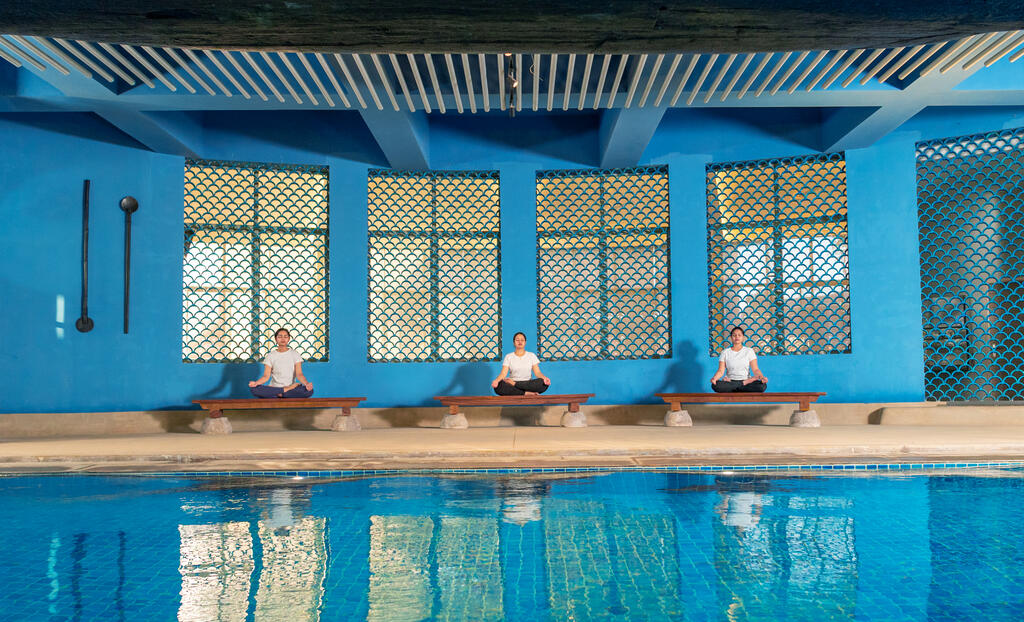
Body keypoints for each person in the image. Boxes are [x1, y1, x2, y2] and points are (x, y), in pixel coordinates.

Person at [248, 328, 314, 398]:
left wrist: (307, 384)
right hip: (275, 387)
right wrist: (256, 383)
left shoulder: (295, 354)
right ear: (276, 339)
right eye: (280, 337)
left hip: (288, 388)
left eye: (285, 337)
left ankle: (279, 393)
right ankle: (284, 391)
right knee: (254, 389)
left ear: (289, 339)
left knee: (309, 391)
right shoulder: (271, 356)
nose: (283, 339)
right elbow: (266, 376)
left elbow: (299, 374)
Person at [710, 326, 767, 392]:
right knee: (715, 385)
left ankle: (738, 386)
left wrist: (762, 377)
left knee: (762, 386)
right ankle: (741, 385)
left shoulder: (749, 351)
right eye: (734, 335)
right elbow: (720, 371)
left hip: (746, 381)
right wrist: (714, 378)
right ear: (731, 337)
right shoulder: (725, 352)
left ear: (743, 337)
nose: (737, 337)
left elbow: (756, 369)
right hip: (730, 381)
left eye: (739, 335)